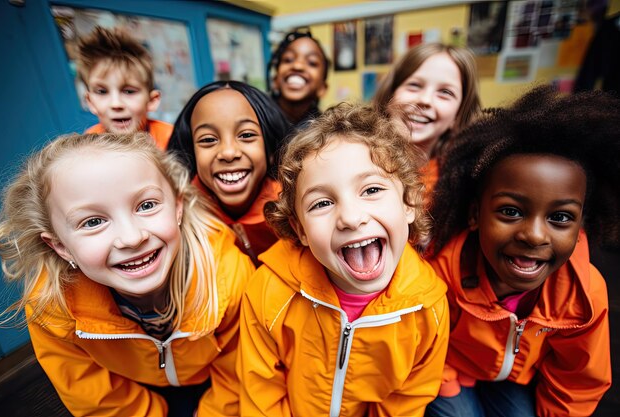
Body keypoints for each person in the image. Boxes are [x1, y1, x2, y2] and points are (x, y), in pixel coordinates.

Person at [0, 132, 254, 416]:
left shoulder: (227, 274)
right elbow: (94, 396)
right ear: (61, 246)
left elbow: (240, 367)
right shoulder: (53, 307)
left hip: (216, 385)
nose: (131, 238)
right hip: (130, 391)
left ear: (177, 207)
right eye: (93, 221)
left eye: (146, 205)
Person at [238, 103, 450, 416]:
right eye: (322, 203)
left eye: (372, 189)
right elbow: (261, 394)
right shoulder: (268, 291)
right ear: (301, 230)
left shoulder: (428, 309)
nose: (350, 218)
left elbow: (405, 403)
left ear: (409, 203)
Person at [425, 86, 619, 417]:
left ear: (580, 225)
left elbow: (577, 381)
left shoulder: (583, 295)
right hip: (450, 371)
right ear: (475, 214)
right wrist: (448, 384)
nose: (533, 235)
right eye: (511, 211)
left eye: (559, 217)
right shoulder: (442, 271)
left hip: (515, 377)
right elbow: (424, 347)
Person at [167, 81, 291, 265]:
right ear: (191, 153)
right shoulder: (180, 213)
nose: (228, 153)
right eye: (208, 139)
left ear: (272, 149)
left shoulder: (292, 208)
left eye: (246, 135)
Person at [372, 42, 481, 197]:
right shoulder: (357, 160)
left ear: (458, 115)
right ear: (390, 95)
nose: (425, 100)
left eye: (445, 92)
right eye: (414, 85)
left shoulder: (459, 185)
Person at [77, 26, 173, 149]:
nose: (116, 104)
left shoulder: (172, 139)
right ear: (90, 102)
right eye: (102, 91)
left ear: (152, 101)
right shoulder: (88, 145)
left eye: (129, 91)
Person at [267, 29, 330, 126]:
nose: (297, 66)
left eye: (312, 62)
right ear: (275, 80)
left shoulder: (326, 132)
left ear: (323, 88)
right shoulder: (257, 122)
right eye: (288, 59)